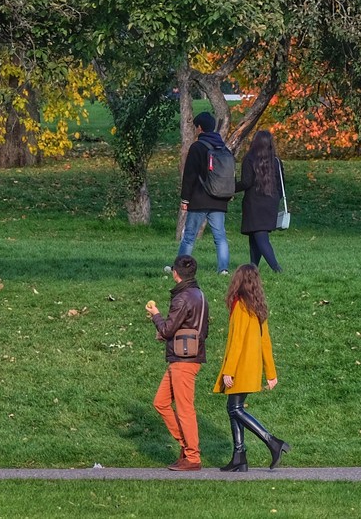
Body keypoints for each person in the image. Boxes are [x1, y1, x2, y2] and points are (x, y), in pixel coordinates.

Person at [213, 264, 288, 471]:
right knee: (233, 408)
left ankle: (272, 442)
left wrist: (229, 370)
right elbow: (266, 342)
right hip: (252, 366)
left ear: (238, 281)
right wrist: (271, 373)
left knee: (235, 408)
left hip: (240, 367)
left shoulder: (240, 305)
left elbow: (236, 341)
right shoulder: (258, 306)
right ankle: (239, 456)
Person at [147, 254, 210, 472]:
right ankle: (186, 447)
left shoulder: (182, 298)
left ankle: (192, 457)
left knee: (184, 409)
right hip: (190, 356)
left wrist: (155, 316)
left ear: (175, 273)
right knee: (160, 402)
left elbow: (167, 329)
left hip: (183, 360)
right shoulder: (199, 295)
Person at [178, 112, 234, 275]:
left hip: (199, 199)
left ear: (200, 128)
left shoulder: (197, 147)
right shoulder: (223, 147)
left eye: (196, 127)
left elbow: (190, 175)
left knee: (189, 236)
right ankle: (223, 269)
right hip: (219, 200)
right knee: (220, 237)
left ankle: (180, 268)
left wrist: (185, 199)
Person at [238, 130, 284, 273]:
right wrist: (277, 199)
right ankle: (253, 267)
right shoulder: (275, 161)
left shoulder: (249, 159)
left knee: (260, 237)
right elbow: (281, 184)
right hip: (271, 201)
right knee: (255, 235)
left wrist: (230, 187)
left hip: (254, 202)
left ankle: (277, 268)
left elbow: (246, 182)